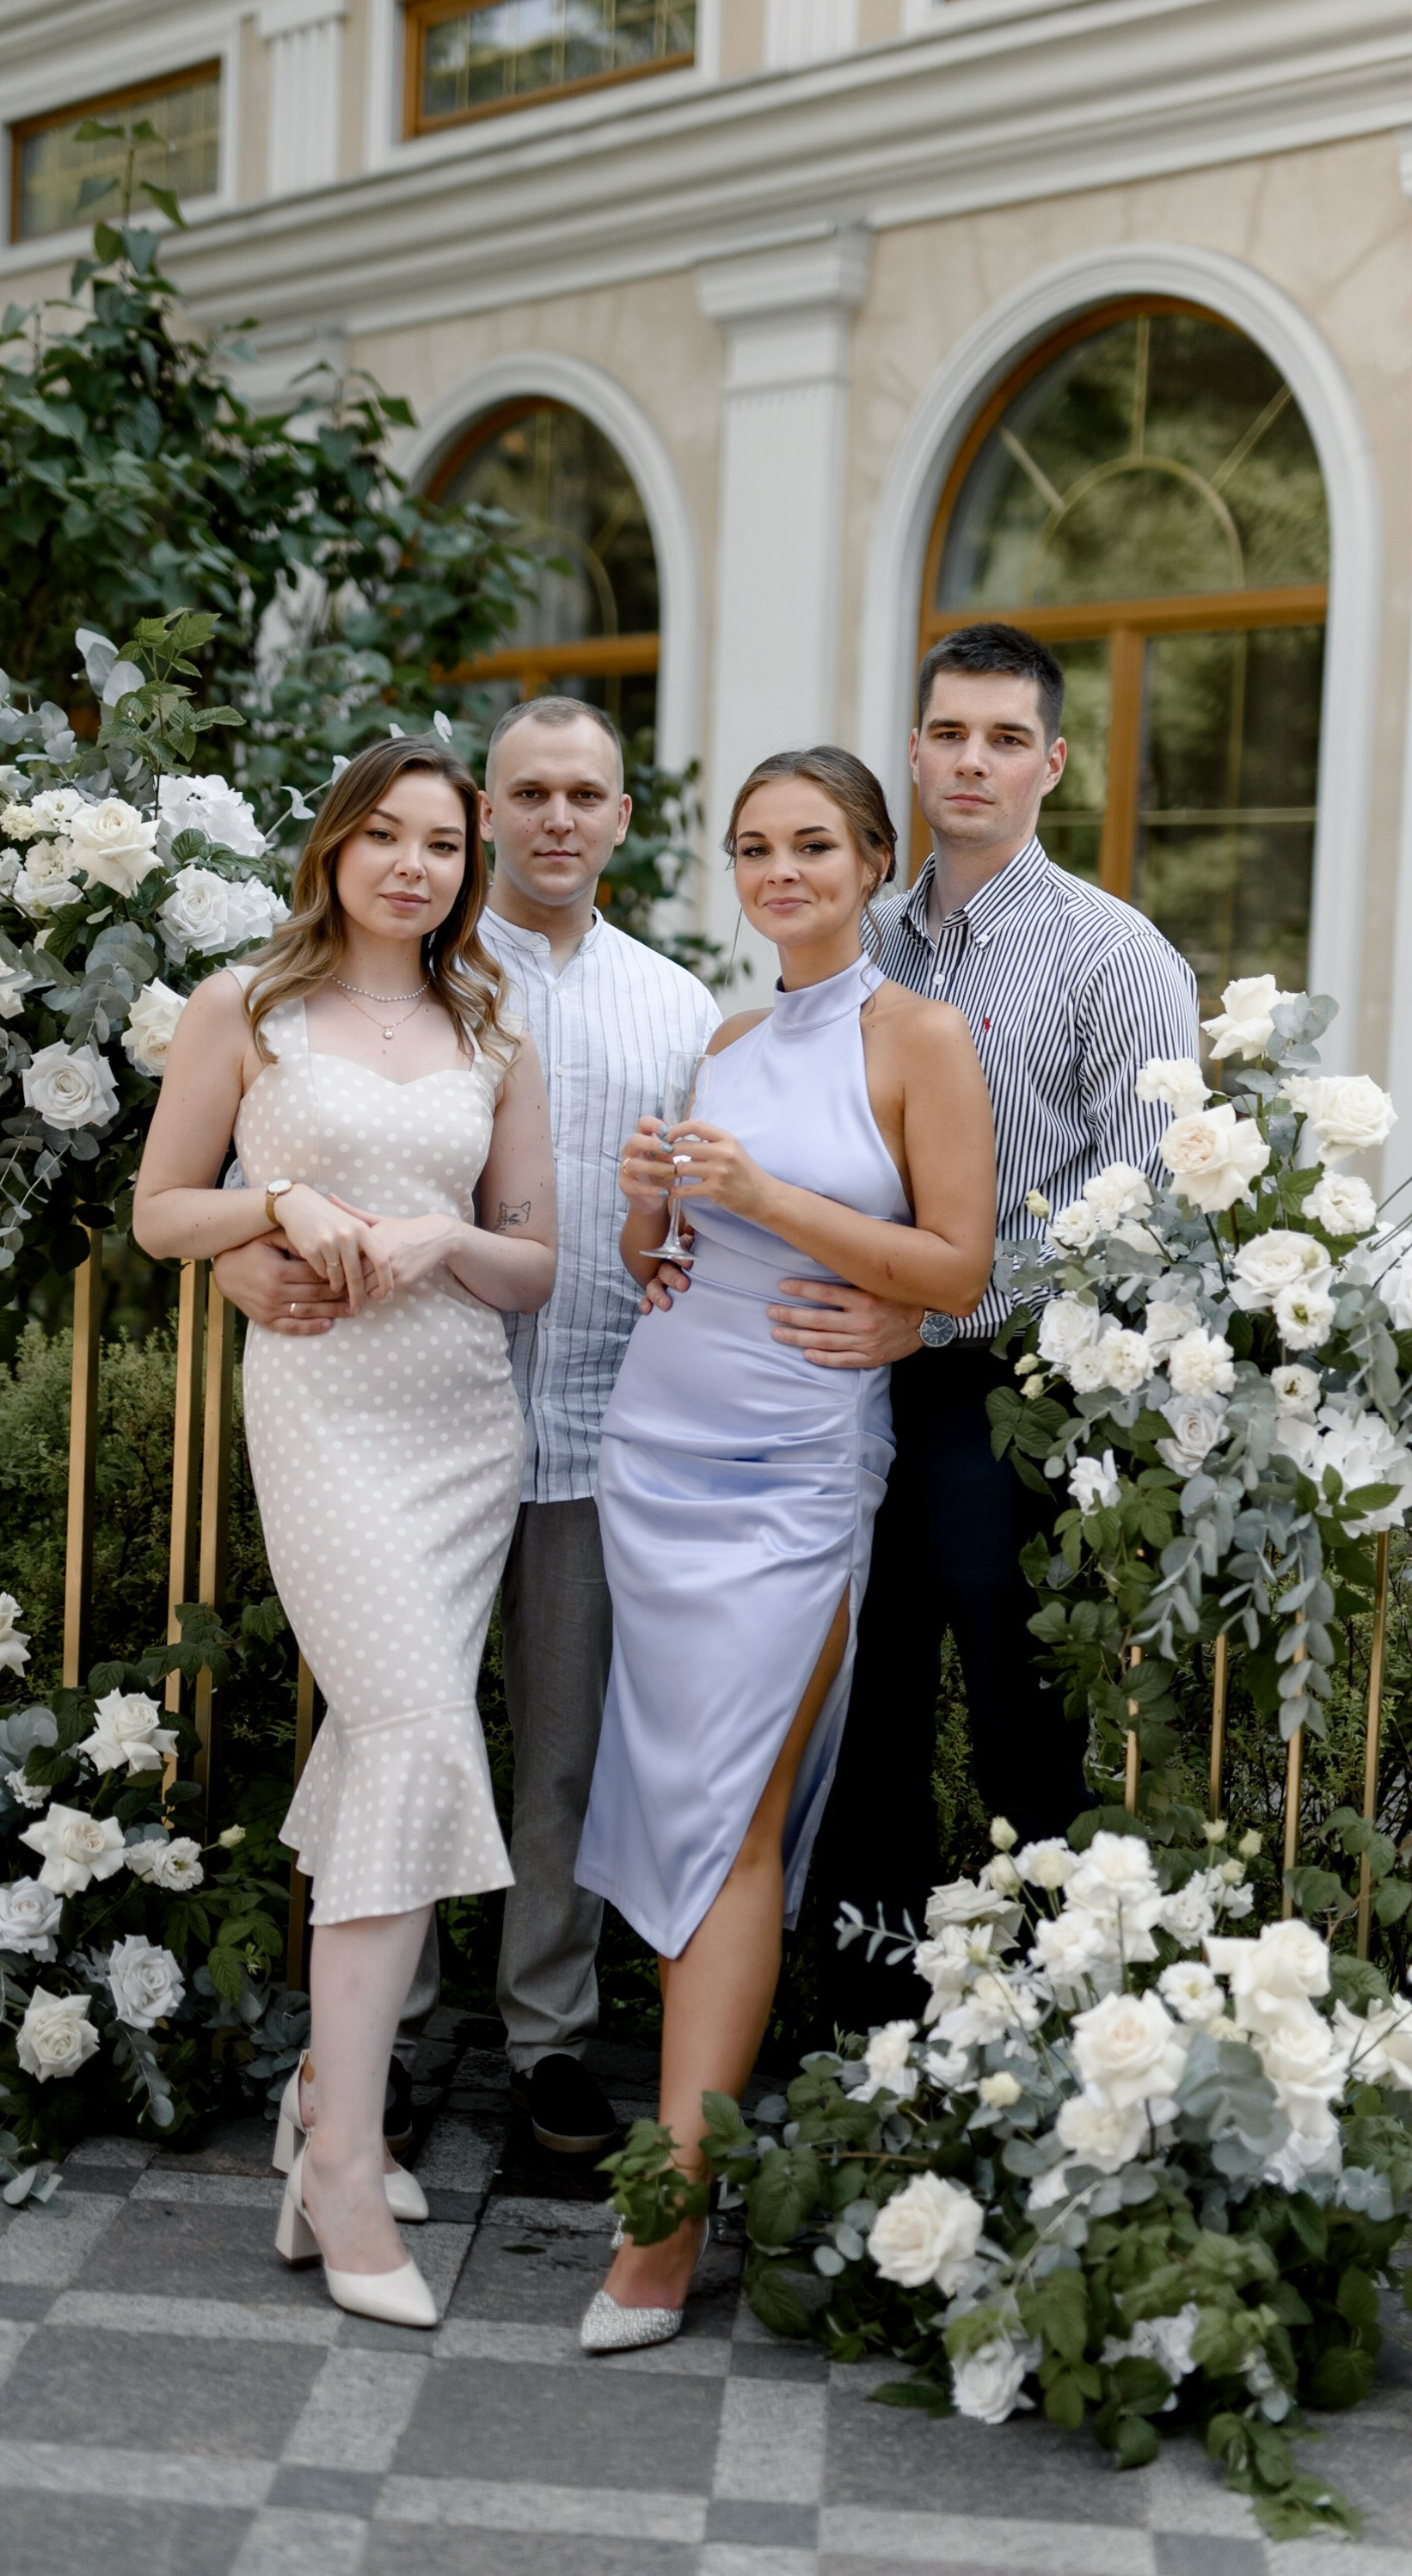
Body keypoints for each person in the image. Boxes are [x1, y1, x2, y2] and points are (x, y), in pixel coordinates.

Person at [213, 696, 720, 2156]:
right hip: (389, 1417)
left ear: (624, 817)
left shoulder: (678, 1008)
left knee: (559, 1754)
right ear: (486, 816)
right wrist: (250, 1252)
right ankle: (399, 2037)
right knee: (401, 1726)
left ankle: (548, 2040)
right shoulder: (403, 972)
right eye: (528, 794)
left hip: (594, 1427)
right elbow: (247, 1167)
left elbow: (678, 1222)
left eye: (589, 794)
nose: (559, 817)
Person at [574, 745, 998, 2352]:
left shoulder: (922, 1038)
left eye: (813, 843)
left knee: (735, 1816)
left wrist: (772, 1196)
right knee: (683, 1803)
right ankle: (681, 2175)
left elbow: (958, 1265)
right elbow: (676, 1261)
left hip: (800, 1470)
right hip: (663, 1446)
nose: (780, 872)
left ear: (876, 859)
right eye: (754, 848)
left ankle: (667, 2223)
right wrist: (645, 1213)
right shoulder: (726, 1039)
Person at [133, 734, 556, 2327]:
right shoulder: (243, 1009)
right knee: (410, 1734)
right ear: (334, 847)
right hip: (322, 1413)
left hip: (462, 1427)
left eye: (441, 844)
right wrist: (277, 1203)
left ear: (467, 867)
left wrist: (449, 1232)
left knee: (391, 1742)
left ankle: (327, 2106)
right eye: (384, 835)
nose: (412, 866)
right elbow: (161, 1209)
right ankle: (344, 2165)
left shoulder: (490, 1027)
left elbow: (537, 1267)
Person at [783, 623, 1201, 2032]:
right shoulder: (860, 935)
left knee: (1024, 1732)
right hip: (834, 1386)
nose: (973, 760)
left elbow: (1141, 1226)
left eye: (1006, 738)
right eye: (950, 733)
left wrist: (940, 1308)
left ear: (1054, 763)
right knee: (863, 1716)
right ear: (913, 750)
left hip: (1002, 1401)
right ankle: (866, 2027)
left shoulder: (1114, 957)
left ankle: (1059, 2034)